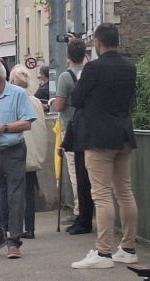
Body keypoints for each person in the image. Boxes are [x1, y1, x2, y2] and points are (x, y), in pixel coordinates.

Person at [70, 23, 139, 269]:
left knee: (101, 194)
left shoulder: (93, 69)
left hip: (99, 138)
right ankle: (128, 247)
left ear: (98, 43)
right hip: (123, 134)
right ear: (117, 42)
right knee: (125, 192)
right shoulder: (129, 67)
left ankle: (103, 252)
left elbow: (76, 99)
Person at [0, 59, 36, 259]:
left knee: (15, 197)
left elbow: (27, 123)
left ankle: (14, 241)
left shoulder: (17, 94)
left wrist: (2, 128)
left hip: (13, 151)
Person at [3, 65, 47, 239]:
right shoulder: (36, 101)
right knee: (29, 191)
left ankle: (12, 226)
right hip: (33, 153)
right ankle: (30, 227)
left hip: (17, 152)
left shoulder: (13, 100)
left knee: (13, 192)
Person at [53, 39, 91, 233]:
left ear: (68, 56)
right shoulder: (89, 72)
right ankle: (85, 210)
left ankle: (79, 211)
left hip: (71, 128)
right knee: (88, 173)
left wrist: (52, 102)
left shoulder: (65, 77)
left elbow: (59, 106)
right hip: (89, 127)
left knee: (75, 173)